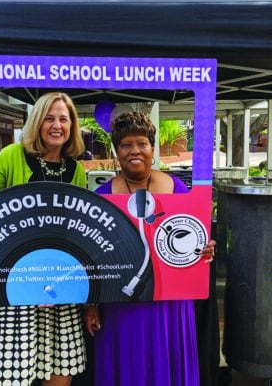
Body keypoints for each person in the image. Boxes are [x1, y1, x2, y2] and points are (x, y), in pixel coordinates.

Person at [0, 92, 88, 386]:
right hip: (15, 284)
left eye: (63, 119)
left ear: (72, 126)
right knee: (15, 374)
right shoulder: (11, 156)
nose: (57, 125)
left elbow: (77, 231)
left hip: (58, 287)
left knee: (61, 367)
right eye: (49, 118)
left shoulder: (76, 169)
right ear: (37, 121)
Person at [83, 111, 215, 386]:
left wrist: (204, 249)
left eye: (141, 143)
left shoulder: (178, 188)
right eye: (126, 144)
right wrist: (92, 305)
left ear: (152, 148)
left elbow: (192, 236)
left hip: (171, 303)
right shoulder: (102, 196)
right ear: (116, 151)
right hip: (122, 304)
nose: (134, 151)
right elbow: (92, 257)